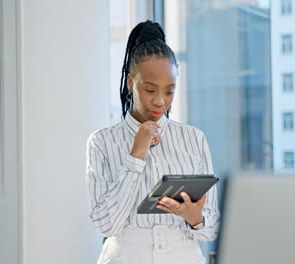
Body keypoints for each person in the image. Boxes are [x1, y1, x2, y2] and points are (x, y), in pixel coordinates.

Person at [86, 20, 220, 264]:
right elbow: (106, 224)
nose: (160, 101)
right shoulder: (102, 142)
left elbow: (211, 229)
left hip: (184, 256)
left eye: (169, 91)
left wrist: (196, 218)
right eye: (150, 90)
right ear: (130, 83)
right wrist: (135, 156)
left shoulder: (193, 139)